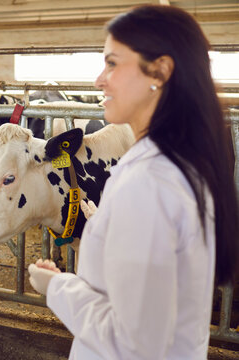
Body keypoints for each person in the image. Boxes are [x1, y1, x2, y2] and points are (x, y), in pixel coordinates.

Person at [28, 5, 238, 359]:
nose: (99, 79)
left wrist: (57, 287)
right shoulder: (182, 162)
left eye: (112, 63)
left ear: (159, 71)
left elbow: (133, 341)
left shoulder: (149, 182)